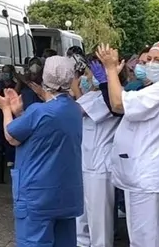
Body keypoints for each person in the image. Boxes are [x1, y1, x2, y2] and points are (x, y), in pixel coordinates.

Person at [0, 55, 83, 246]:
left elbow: (12, 136)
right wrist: (20, 113)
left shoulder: (39, 111)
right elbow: (40, 130)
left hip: (37, 195)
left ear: (44, 78)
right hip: (67, 195)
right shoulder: (74, 109)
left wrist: (6, 109)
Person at [97, 41, 159, 247]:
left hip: (150, 175)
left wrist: (110, 70)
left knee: (146, 239)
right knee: (151, 236)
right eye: (149, 59)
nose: (151, 64)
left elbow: (118, 104)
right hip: (144, 174)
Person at [71, 55, 121, 247]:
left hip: (100, 166)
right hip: (85, 162)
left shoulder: (110, 97)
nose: (85, 76)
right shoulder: (92, 95)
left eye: (88, 72)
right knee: (81, 217)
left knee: (100, 222)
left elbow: (77, 111)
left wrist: (75, 88)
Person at [0, 64, 17, 167]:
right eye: (4, 71)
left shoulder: (14, 85)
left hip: (9, 113)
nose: (5, 74)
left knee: (9, 134)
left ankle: (10, 158)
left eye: (7, 72)